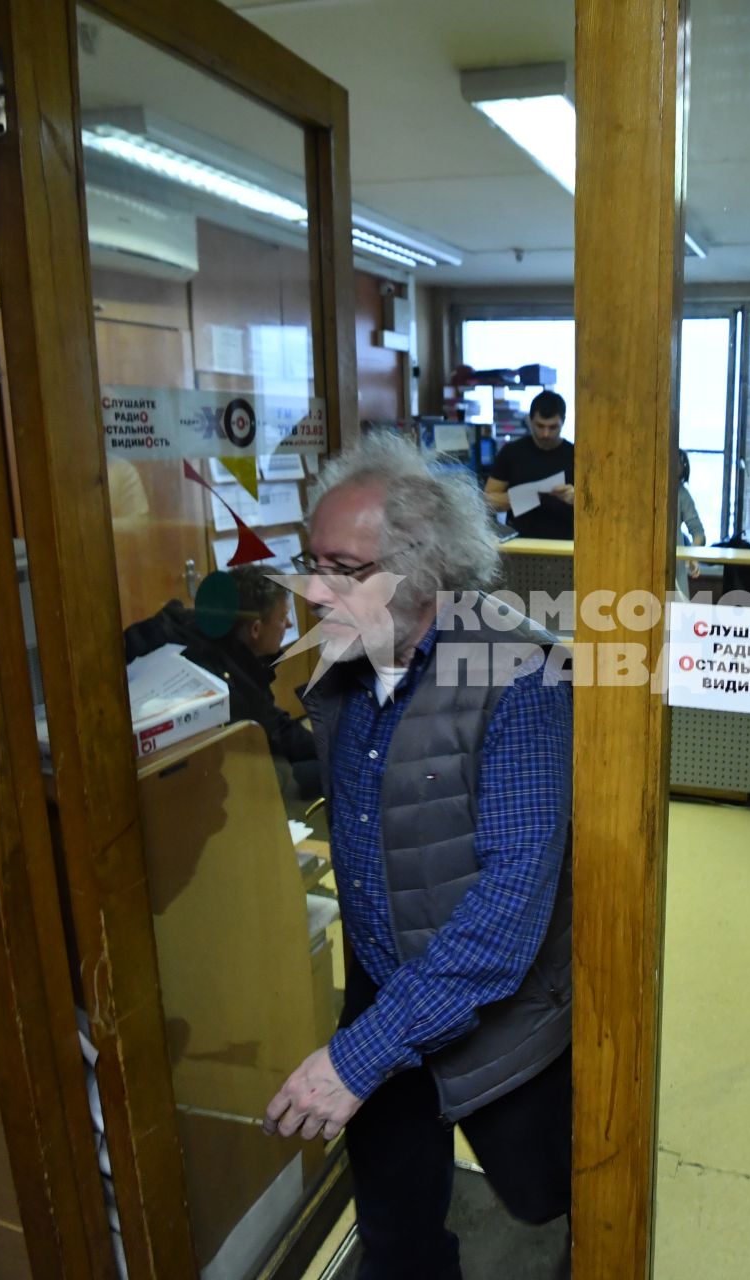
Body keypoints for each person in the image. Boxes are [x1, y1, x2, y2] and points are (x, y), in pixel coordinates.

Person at [265, 434, 572, 1280]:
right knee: (395, 1223)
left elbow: (509, 908)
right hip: (382, 980)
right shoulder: (347, 658)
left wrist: (356, 1059)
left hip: (501, 1008)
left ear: (425, 571)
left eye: (342, 568)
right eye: (308, 561)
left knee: (547, 1206)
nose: (312, 590)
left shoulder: (519, 675)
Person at [123, 566, 321, 799]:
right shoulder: (220, 682)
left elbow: (273, 722)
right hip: (234, 782)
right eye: (282, 617)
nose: (288, 625)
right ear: (256, 629)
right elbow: (260, 770)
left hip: (246, 762)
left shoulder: (226, 648)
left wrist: (327, 746)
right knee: (334, 773)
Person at [484, 389, 574, 539]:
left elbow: (598, 505)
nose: (546, 434)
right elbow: (488, 502)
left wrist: (576, 498)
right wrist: (530, 495)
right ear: (530, 420)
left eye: (553, 427)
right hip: (520, 542)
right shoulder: (512, 452)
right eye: (540, 426)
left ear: (563, 422)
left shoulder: (576, 455)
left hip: (565, 543)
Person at [674, 448, 705, 596]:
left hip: (675, 563)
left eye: (680, 463)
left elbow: (698, 532)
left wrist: (692, 556)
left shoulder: (682, 494)